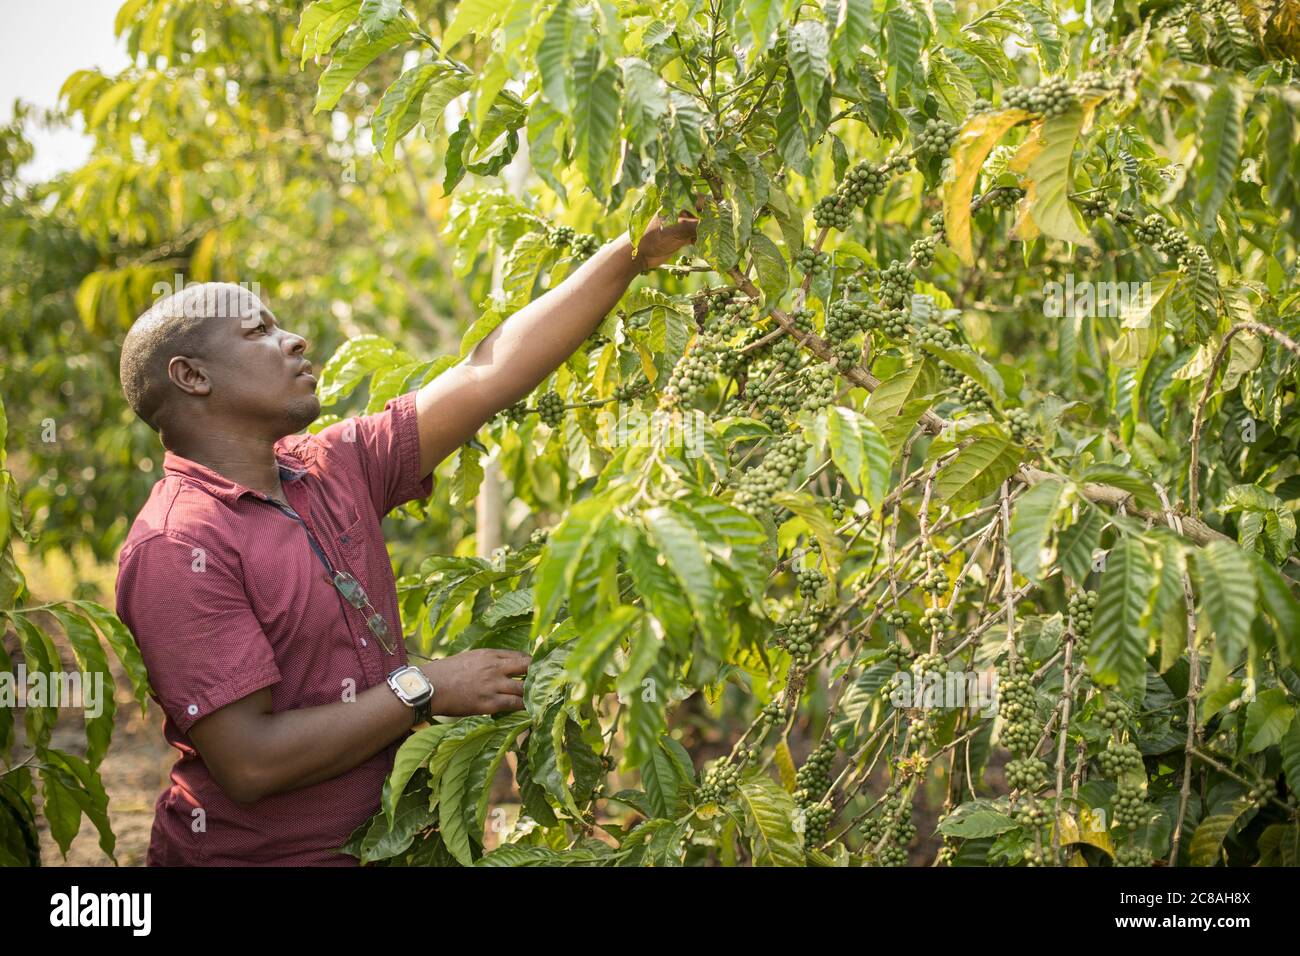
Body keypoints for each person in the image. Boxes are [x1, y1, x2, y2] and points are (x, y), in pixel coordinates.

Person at [113, 213, 699, 865]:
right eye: (260, 332)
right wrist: (422, 689)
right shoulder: (177, 545)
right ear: (193, 377)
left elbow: (487, 375)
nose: (296, 340)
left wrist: (632, 254)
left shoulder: (333, 465)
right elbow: (250, 762)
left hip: (394, 844)